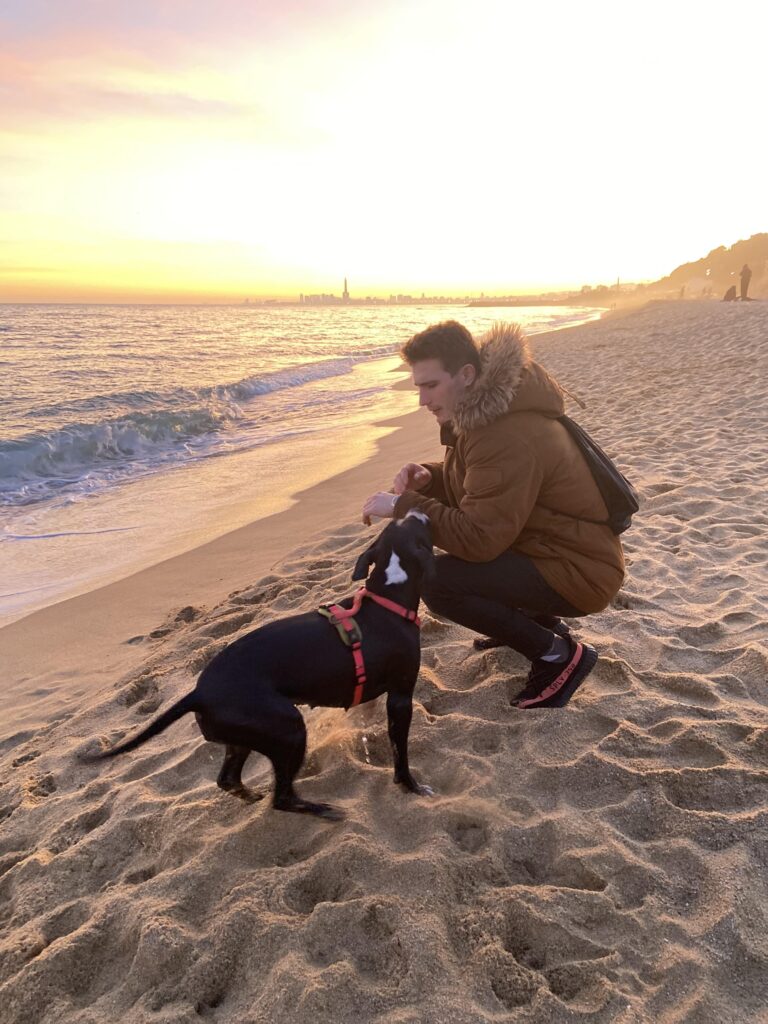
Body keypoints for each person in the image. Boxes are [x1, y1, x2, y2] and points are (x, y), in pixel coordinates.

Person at [362, 320, 625, 708]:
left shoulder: (504, 433)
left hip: (579, 572)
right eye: (419, 386)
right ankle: (537, 621)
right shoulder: (487, 414)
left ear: (467, 375)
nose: (422, 399)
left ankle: (558, 655)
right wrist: (430, 478)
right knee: (452, 565)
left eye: (430, 385)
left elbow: (479, 539)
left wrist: (402, 507)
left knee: (437, 582)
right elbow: (482, 491)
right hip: (556, 548)